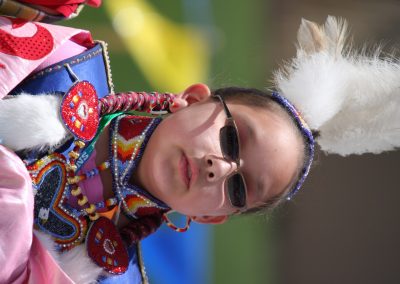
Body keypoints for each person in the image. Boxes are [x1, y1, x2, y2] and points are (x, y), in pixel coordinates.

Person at [1, 5, 399, 284]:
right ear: (190, 98)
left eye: (238, 187)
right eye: (230, 137)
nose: (220, 167)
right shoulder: (62, 60)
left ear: (212, 218)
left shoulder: (104, 279)